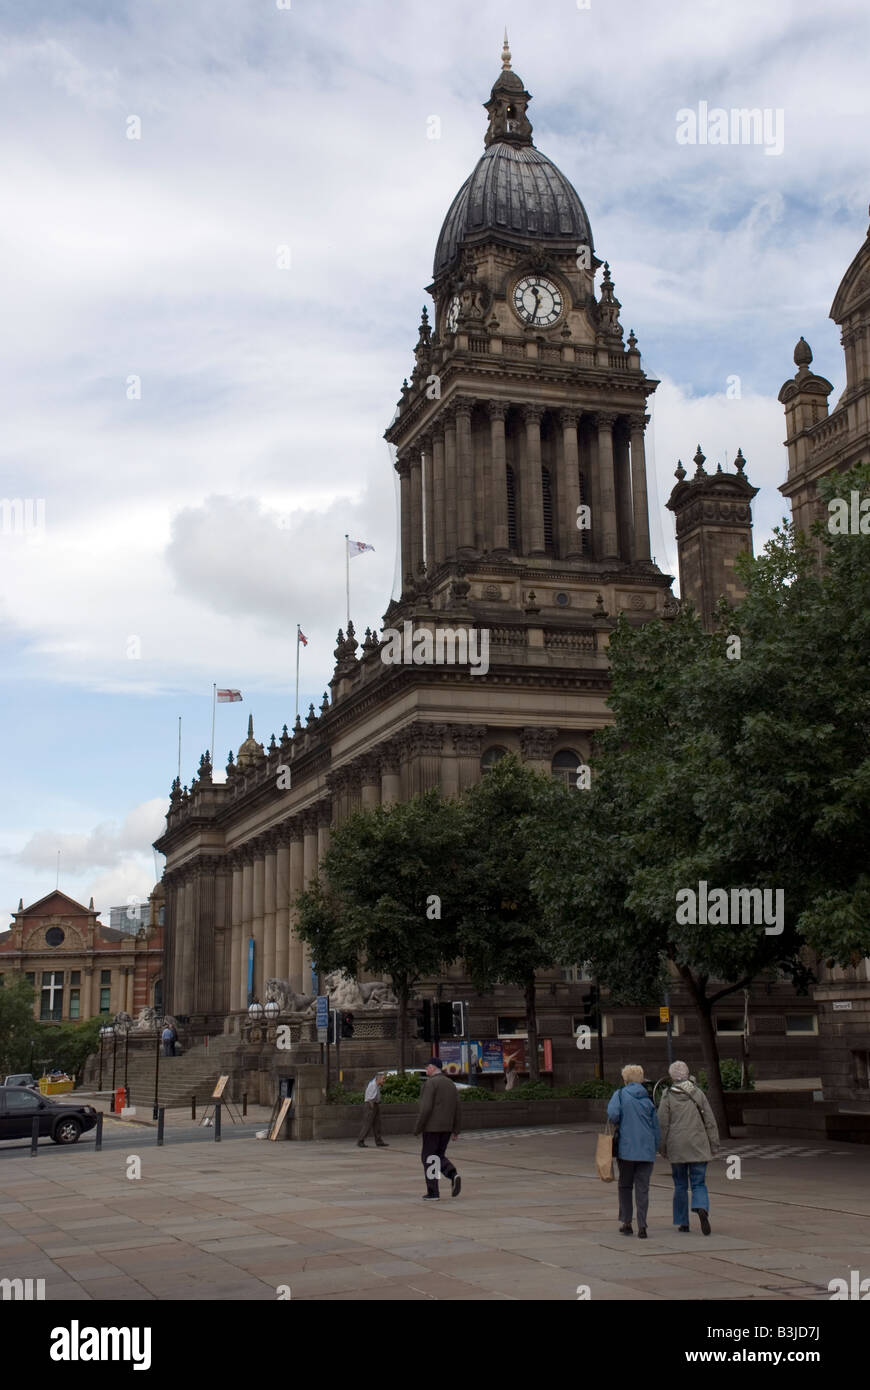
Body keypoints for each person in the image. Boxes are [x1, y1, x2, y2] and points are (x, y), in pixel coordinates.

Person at [657, 1060, 720, 1235]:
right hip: (698, 1144)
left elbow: (662, 1123)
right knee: (699, 1182)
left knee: (680, 1184)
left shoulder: (667, 1095)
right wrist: (714, 1144)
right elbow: (710, 1120)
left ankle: (682, 1222)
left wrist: (661, 1147)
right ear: (687, 1074)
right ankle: (701, 1207)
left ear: (671, 1076)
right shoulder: (698, 1093)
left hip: (677, 1146)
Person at [606, 1064, 661, 1238]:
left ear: (626, 1079)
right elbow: (656, 1127)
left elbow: (613, 1115)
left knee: (625, 1185)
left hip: (626, 1149)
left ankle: (627, 1222)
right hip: (646, 1150)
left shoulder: (620, 1095)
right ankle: (642, 1225)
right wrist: (657, 1147)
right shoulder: (648, 1099)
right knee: (643, 1188)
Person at [414, 1058, 461, 1200]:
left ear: (433, 1068)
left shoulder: (431, 1083)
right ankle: (452, 1174)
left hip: (431, 1128)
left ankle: (433, 1192)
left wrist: (418, 1127)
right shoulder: (450, 1084)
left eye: (427, 1067)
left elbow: (426, 1108)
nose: (426, 1070)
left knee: (429, 1158)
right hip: (446, 1128)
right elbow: (458, 1108)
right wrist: (456, 1129)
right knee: (438, 1155)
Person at [357, 1072, 388, 1148]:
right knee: (368, 1124)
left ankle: (379, 1140)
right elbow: (370, 1099)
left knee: (377, 1124)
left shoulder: (377, 1084)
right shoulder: (373, 1085)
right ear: (379, 1078)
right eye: (383, 1079)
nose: (384, 1080)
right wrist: (372, 1109)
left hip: (375, 1104)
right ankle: (360, 1140)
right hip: (371, 1105)